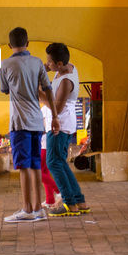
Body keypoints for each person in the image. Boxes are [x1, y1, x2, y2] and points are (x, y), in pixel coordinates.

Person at [0, 27, 55, 223]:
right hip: (36, 121)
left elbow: (5, 89)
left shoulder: (6, 64)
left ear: (9, 45)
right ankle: (39, 207)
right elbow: (47, 90)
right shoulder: (38, 62)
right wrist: (54, 117)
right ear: (28, 43)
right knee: (36, 165)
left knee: (23, 166)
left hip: (19, 122)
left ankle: (27, 209)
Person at [43, 42, 88, 216]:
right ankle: (79, 201)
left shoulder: (65, 81)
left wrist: (39, 93)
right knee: (60, 162)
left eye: (50, 62)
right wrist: (44, 69)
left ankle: (69, 203)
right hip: (63, 124)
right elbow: (48, 66)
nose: (48, 64)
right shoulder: (68, 68)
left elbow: (57, 108)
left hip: (58, 125)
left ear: (59, 64)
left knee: (53, 162)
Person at [39, 103, 59, 207]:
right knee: (44, 171)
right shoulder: (44, 108)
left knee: (38, 171)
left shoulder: (48, 108)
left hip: (45, 142)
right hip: (45, 141)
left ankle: (59, 191)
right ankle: (50, 199)